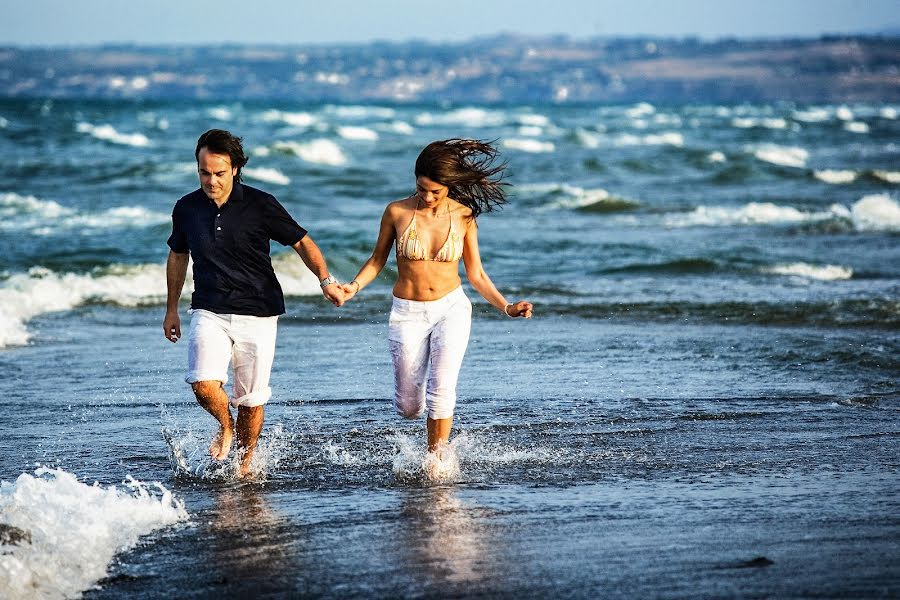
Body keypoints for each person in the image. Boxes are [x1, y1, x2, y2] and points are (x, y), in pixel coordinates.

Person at [340, 139, 532, 471]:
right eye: (421, 189)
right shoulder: (397, 212)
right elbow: (376, 260)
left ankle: (436, 461)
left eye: (435, 192)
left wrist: (507, 306)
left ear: (450, 187)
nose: (427, 197)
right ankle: (427, 440)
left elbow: (477, 274)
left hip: (451, 308)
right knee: (409, 407)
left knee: (441, 390)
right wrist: (353, 286)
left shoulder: (464, 216)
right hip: (407, 313)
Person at [163, 129, 344, 478]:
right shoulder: (186, 208)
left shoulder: (261, 204)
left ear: (235, 169)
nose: (210, 180)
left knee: (251, 398)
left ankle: (245, 464)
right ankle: (225, 427)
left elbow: (302, 242)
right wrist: (171, 308)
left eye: (218, 173)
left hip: (259, 311)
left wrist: (325, 280)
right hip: (208, 307)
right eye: (204, 172)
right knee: (202, 383)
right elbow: (177, 255)